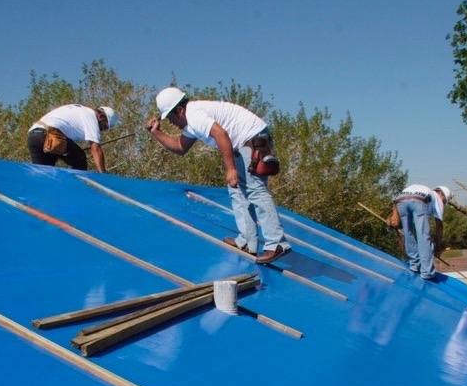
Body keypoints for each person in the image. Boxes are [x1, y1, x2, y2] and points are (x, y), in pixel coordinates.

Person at [146, 87, 290, 265]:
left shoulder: (195, 114)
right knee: (237, 191)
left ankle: (276, 243)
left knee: (255, 190)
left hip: (252, 139)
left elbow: (220, 134)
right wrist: (156, 132)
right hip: (244, 142)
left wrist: (231, 169)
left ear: (180, 110)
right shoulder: (190, 122)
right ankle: (247, 242)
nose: (172, 123)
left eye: (170, 118)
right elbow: (180, 147)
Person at [27, 104, 121, 172]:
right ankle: (77, 191)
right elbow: (95, 149)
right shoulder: (91, 117)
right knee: (80, 158)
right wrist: (103, 174)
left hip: (33, 137)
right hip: (48, 135)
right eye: (104, 126)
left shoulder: (81, 110)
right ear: (100, 116)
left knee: (43, 174)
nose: (102, 130)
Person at [393, 184, 451, 280]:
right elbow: (439, 227)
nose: (443, 203)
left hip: (400, 200)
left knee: (408, 233)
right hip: (418, 200)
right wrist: (437, 246)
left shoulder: (425, 190)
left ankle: (414, 265)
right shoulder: (437, 198)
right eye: (445, 201)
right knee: (423, 235)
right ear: (441, 193)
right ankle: (427, 273)